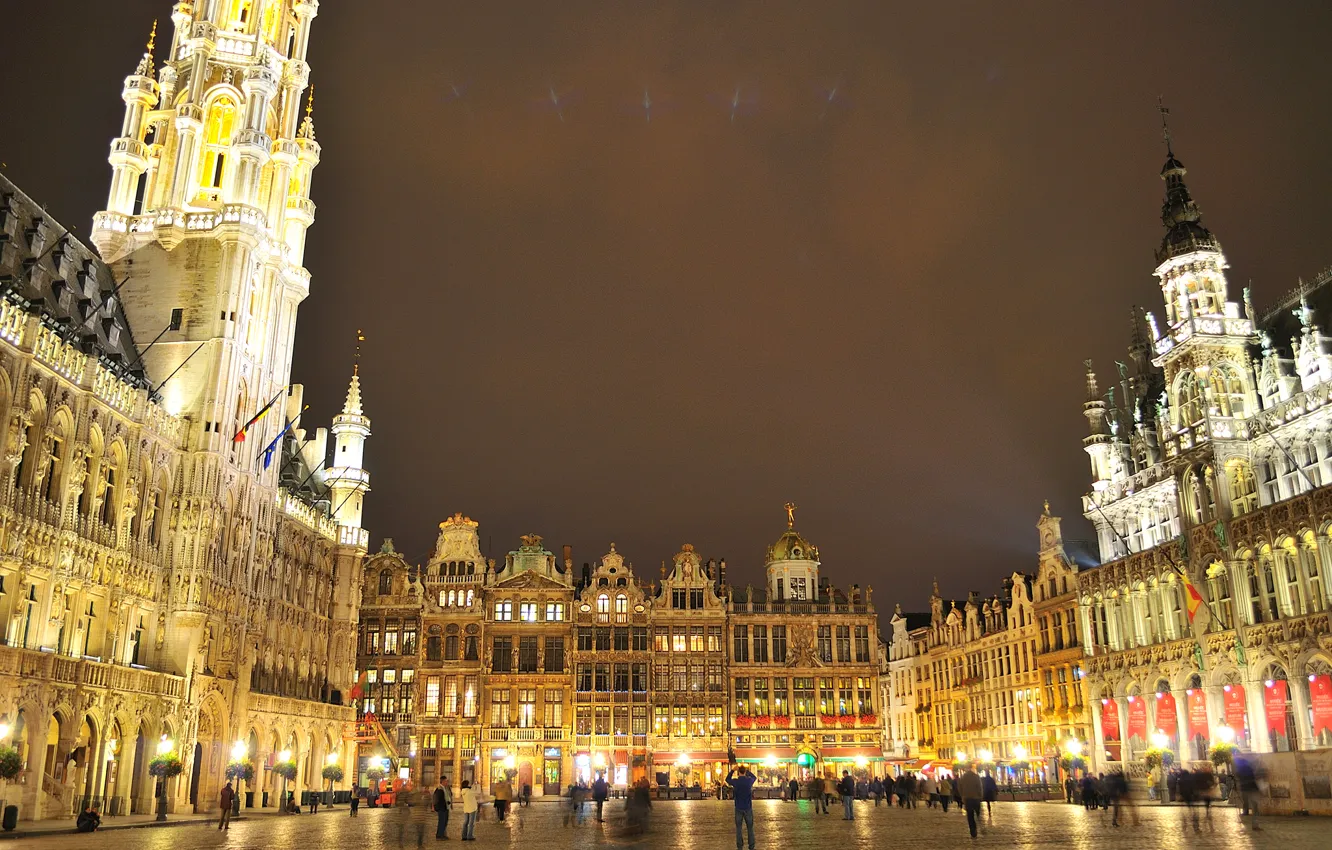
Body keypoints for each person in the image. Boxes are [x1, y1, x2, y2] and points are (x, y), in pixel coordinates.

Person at [726, 764, 758, 850]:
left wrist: (732, 770)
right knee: (750, 828)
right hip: (748, 807)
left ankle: (740, 847)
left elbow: (727, 779)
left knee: (739, 829)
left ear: (738, 772)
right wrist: (747, 771)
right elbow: (754, 777)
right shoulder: (749, 781)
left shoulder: (736, 782)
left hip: (738, 807)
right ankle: (751, 846)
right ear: (744, 772)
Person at [1235, 757, 1263, 831]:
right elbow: (1252, 779)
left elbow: (1238, 779)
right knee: (1255, 808)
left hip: (1244, 789)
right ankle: (1255, 825)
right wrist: (1258, 789)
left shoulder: (1239, 770)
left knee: (1246, 802)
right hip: (1252, 789)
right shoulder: (1249, 768)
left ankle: (1246, 812)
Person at [958, 766, 984, 839]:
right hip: (976, 798)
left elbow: (959, 788)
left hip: (967, 798)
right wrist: (980, 796)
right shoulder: (976, 777)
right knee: (978, 813)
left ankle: (973, 830)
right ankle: (980, 825)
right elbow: (980, 787)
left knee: (970, 815)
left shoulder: (963, 778)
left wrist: (962, 795)